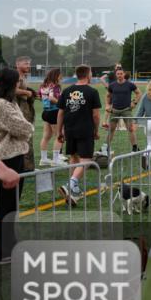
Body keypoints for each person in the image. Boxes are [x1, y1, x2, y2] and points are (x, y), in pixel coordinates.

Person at [0, 69, 33, 261]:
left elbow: (23, 126)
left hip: (13, 156)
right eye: (19, 82)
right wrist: (26, 129)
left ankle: (8, 246)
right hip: (5, 160)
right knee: (4, 206)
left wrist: (24, 128)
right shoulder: (0, 104)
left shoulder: (8, 102)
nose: (21, 85)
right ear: (12, 83)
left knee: (10, 207)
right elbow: (24, 127)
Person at [56, 65, 102, 206]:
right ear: (88, 75)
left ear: (77, 75)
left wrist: (59, 131)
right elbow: (95, 115)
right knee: (87, 160)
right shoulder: (92, 91)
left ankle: (72, 192)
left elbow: (61, 113)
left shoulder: (67, 90)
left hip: (69, 129)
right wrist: (96, 130)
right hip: (85, 129)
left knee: (74, 158)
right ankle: (70, 184)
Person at [104, 67, 141, 157]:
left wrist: (134, 102)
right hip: (114, 110)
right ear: (116, 75)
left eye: (121, 74)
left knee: (130, 129)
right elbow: (108, 96)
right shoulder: (112, 85)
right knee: (111, 129)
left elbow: (139, 93)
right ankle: (106, 148)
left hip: (126, 110)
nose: (120, 75)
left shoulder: (130, 84)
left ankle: (135, 148)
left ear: (124, 74)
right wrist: (107, 105)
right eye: (118, 74)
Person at [14, 56, 38, 171]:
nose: (28, 66)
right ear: (17, 64)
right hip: (20, 108)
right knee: (25, 134)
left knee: (27, 135)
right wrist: (27, 92)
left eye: (29, 64)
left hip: (24, 107)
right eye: (26, 64)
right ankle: (25, 167)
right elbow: (13, 90)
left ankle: (27, 166)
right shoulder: (16, 76)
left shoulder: (23, 76)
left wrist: (31, 92)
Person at [38, 68, 63, 167]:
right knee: (59, 136)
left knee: (46, 136)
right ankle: (56, 160)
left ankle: (43, 159)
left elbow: (39, 97)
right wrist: (61, 104)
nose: (62, 77)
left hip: (46, 112)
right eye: (60, 75)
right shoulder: (55, 86)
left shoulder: (43, 85)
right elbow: (52, 98)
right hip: (54, 112)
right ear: (56, 75)